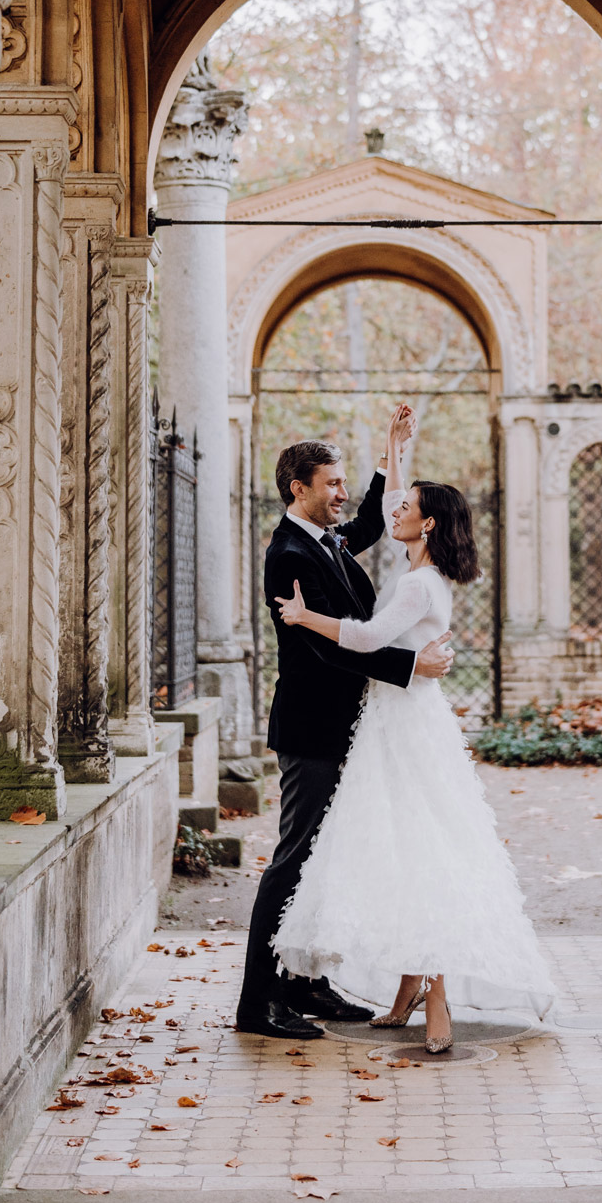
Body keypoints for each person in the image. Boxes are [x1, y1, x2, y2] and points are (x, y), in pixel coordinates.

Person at [271, 406, 556, 1052]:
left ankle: (434, 995)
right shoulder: (420, 572)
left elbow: (370, 636)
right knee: (404, 847)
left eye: (408, 509)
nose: (389, 510)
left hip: (399, 724)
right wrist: (395, 448)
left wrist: (304, 617)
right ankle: (407, 988)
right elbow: (391, 503)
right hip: (403, 719)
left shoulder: (416, 585)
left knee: (416, 850)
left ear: (425, 524)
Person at [235, 411, 457, 1041]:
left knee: (322, 862)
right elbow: (330, 649)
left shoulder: (323, 538)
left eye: (342, 481)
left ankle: (305, 984)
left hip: (347, 730)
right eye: (331, 483)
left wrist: (392, 452)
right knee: (293, 860)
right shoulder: (288, 554)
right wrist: (412, 664)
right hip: (312, 732)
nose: (343, 493)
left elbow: (367, 524)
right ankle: (258, 1001)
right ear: (298, 489)